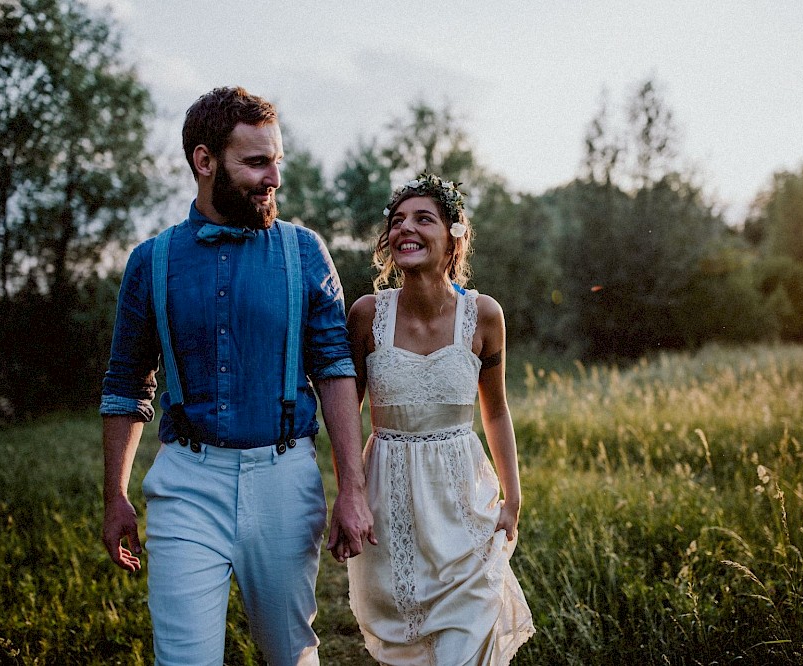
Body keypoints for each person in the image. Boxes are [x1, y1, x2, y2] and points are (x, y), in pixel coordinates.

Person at [99, 86, 374, 666]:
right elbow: (127, 381)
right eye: (255, 162)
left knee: (289, 654)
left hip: (284, 480)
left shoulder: (304, 252)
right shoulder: (152, 261)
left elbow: (334, 368)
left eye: (277, 159)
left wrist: (351, 487)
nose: (273, 176)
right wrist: (115, 495)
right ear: (204, 162)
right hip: (186, 484)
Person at [344, 173, 535, 664]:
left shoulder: (484, 316)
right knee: (404, 643)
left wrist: (513, 497)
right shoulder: (367, 316)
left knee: (461, 646)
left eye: (423, 218)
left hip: (461, 500)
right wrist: (350, 495)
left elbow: (496, 409)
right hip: (390, 502)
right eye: (397, 221)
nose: (405, 228)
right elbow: (347, 411)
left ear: (455, 235)